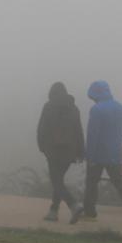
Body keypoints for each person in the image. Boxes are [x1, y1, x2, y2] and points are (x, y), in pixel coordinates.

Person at [71, 80, 122, 224]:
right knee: (119, 181)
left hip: (97, 154)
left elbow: (92, 134)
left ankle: (90, 213)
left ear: (96, 94)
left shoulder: (97, 109)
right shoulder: (121, 108)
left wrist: (89, 155)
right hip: (115, 153)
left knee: (91, 182)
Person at [36, 82, 84, 221]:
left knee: (56, 181)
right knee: (59, 180)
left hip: (53, 151)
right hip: (69, 152)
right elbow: (78, 131)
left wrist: (42, 147)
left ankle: (73, 204)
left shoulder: (48, 107)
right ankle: (53, 211)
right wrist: (81, 151)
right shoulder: (74, 108)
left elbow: (42, 128)